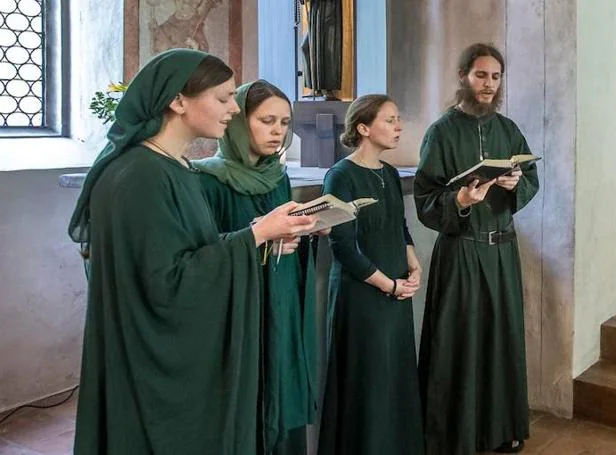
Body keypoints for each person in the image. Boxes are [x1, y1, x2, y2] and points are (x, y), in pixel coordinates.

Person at [68, 49, 317, 455]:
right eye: (222, 98)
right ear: (178, 100)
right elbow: (165, 284)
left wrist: (256, 233)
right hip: (156, 374)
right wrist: (253, 238)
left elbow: (191, 250)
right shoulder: (140, 174)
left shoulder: (174, 167)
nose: (233, 109)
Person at [414, 43, 539, 455]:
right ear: (463, 76)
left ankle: (502, 429)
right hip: (462, 251)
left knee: (501, 341)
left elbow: (531, 178)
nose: (489, 84)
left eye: (496, 77)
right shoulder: (442, 132)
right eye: (481, 75)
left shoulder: (508, 129)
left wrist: (514, 183)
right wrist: (461, 202)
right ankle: (456, 435)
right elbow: (426, 200)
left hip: (502, 251)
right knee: (460, 342)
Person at [193, 79, 320, 455]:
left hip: (278, 295)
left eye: (284, 123)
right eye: (266, 121)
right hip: (240, 305)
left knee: (281, 378)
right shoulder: (206, 179)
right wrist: (260, 237)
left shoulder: (276, 176)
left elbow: (277, 235)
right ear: (237, 121)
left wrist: (299, 234)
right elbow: (207, 251)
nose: (278, 131)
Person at [317, 94, 424, 455]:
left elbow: (400, 226)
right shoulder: (341, 175)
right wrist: (388, 285)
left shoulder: (390, 173)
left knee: (394, 376)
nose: (399, 127)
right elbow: (343, 247)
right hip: (362, 296)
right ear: (363, 128)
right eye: (390, 120)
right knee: (367, 380)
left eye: (398, 119)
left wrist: (413, 264)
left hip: (395, 290)